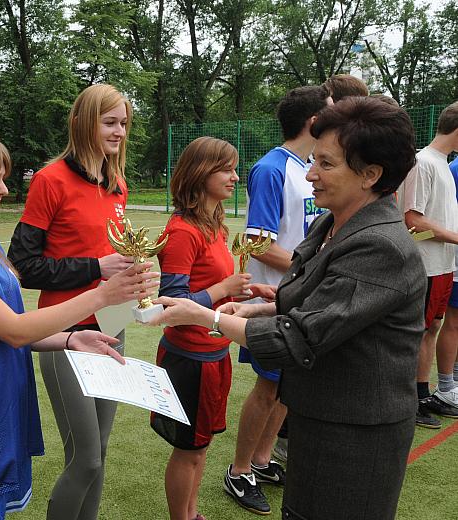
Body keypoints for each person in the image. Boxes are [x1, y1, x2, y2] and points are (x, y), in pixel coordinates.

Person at [151, 97, 423, 520]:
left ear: (371, 175)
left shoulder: (380, 246)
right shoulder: (328, 225)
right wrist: (265, 307)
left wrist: (212, 317)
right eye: (313, 160)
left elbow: (301, 337)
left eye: (326, 165)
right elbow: (316, 303)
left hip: (354, 435)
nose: (310, 174)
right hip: (316, 415)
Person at [0, 127, 159, 520]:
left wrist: (67, 340)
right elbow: (12, 329)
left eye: (3, 178)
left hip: (0, 408)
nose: (4, 190)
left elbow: (5, 327)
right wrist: (102, 295)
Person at [7, 83, 135, 520]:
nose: (119, 131)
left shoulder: (118, 183)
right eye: (109, 122)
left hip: (114, 327)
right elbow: (21, 265)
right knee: (86, 458)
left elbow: (112, 254)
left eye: (123, 123)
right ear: (82, 123)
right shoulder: (50, 180)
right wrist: (97, 269)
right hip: (66, 333)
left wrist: (135, 273)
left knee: (100, 450)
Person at [154, 136, 273, 520]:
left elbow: (214, 286)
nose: (236, 177)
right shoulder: (183, 231)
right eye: (226, 169)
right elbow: (172, 302)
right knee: (189, 451)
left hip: (214, 351)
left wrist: (252, 289)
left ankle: (192, 513)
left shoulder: (215, 226)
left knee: (199, 448)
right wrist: (223, 289)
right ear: (200, 173)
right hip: (190, 359)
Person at [226, 85, 331, 515]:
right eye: (329, 114)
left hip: (301, 295)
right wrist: (313, 271)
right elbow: (257, 243)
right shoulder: (271, 169)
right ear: (313, 123)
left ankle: (263, 460)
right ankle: (238, 471)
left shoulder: (306, 167)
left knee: (289, 387)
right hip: (278, 295)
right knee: (269, 387)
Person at [401, 101, 458, 426]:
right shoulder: (422, 163)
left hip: (442, 267)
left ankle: (422, 395)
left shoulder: (443, 163)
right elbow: (412, 223)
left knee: (430, 329)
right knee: (416, 333)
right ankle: (407, 399)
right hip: (424, 269)